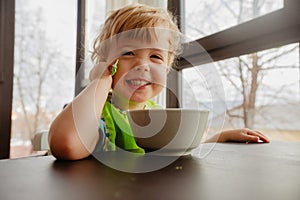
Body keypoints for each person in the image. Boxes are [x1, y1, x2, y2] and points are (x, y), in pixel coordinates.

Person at [49, 4, 269, 160]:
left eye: (155, 56)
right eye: (127, 53)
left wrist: (220, 137)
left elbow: (174, 152)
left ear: (165, 69)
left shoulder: (158, 116)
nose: (142, 65)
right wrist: (101, 80)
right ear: (105, 62)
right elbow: (67, 144)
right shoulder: (98, 115)